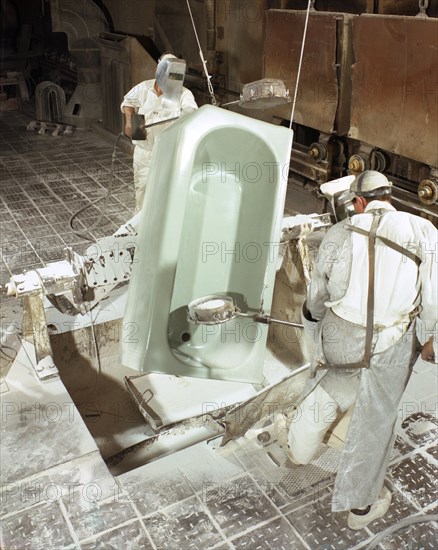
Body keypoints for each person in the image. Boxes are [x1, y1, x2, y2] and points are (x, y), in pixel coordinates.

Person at [275, 170, 437, 530]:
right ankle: (360, 510)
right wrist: (430, 342)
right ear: (389, 197)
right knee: (376, 418)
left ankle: (298, 450)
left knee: (333, 382)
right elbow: (434, 299)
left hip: (340, 334)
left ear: (359, 202)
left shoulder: (339, 231)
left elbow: (318, 294)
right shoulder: (423, 230)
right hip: (387, 340)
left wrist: (312, 320)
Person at [121, 53, 198, 211]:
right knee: (143, 195)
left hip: (168, 154)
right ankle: (140, 232)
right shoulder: (144, 87)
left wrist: (187, 114)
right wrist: (129, 120)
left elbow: (192, 113)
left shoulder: (183, 94)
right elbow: (128, 102)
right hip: (144, 152)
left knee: (167, 198)